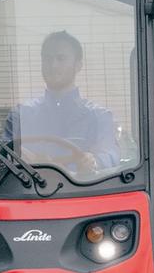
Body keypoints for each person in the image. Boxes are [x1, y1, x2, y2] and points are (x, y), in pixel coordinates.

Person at [8, 29, 123, 177]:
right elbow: (3, 156)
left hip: (83, 194)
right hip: (29, 193)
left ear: (78, 65)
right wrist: (17, 158)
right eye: (47, 59)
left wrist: (94, 161)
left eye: (61, 58)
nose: (53, 65)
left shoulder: (99, 117)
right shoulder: (20, 115)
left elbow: (111, 155)